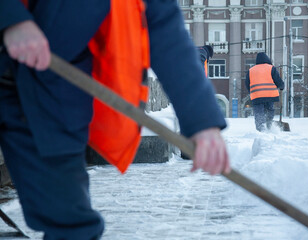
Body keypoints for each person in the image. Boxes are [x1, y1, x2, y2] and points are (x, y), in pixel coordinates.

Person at [0, 0, 230, 239]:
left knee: (71, 225)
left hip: (47, 95)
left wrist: (202, 121)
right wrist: (12, 18)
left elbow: (165, 28)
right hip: (26, 67)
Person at [245, 52, 284, 131]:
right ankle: (269, 126)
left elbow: (247, 83)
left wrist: (251, 92)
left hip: (257, 96)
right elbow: (277, 80)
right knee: (270, 111)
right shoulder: (271, 68)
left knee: (259, 113)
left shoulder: (251, 70)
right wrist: (281, 86)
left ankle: (261, 130)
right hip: (270, 96)